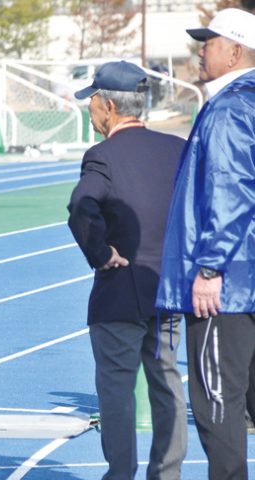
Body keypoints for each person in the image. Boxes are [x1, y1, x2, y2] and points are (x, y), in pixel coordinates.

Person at [67, 61, 187, 480]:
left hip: (119, 293)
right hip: (167, 292)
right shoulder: (175, 148)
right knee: (167, 382)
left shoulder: (102, 156)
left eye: (93, 102)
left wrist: (101, 252)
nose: (90, 111)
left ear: (111, 105)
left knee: (117, 391)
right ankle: (166, 473)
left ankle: (120, 474)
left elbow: (81, 207)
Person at [155, 8, 255, 479]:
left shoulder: (232, 106)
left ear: (234, 51)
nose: (201, 50)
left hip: (228, 285)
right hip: (246, 277)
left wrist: (211, 268)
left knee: (217, 401)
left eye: (209, 43)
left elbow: (229, 187)